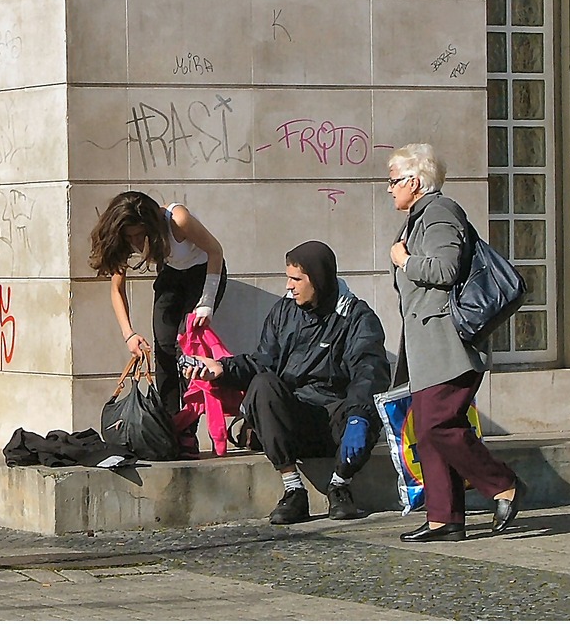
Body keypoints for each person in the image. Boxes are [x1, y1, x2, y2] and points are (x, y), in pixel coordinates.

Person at [185, 240, 390, 524]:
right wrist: (221, 368)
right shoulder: (284, 312)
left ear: (317, 280)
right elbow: (263, 361)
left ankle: (340, 486)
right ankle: (293, 489)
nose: (289, 286)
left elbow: (369, 371)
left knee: (362, 411)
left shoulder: (356, 317)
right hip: (294, 417)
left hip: (336, 419)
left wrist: (359, 416)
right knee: (263, 385)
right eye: (288, 278)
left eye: (296, 279)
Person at [385, 143, 525, 542]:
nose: (389, 189)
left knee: (437, 425)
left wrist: (404, 261)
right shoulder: (419, 217)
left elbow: (445, 268)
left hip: (450, 344)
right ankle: (443, 518)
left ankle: (504, 485)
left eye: (393, 181)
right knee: (430, 428)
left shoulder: (441, 213)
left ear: (414, 181)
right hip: (430, 346)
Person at [89, 191, 227, 455]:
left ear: (151, 225)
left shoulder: (178, 219)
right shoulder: (125, 237)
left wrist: (206, 302)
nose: (136, 242)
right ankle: (169, 424)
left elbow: (215, 251)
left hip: (204, 273)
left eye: (140, 235)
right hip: (172, 276)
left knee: (187, 349)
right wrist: (128, 334)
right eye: (130, 237)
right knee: (163, 347)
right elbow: (117, 289)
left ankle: (187, 429)